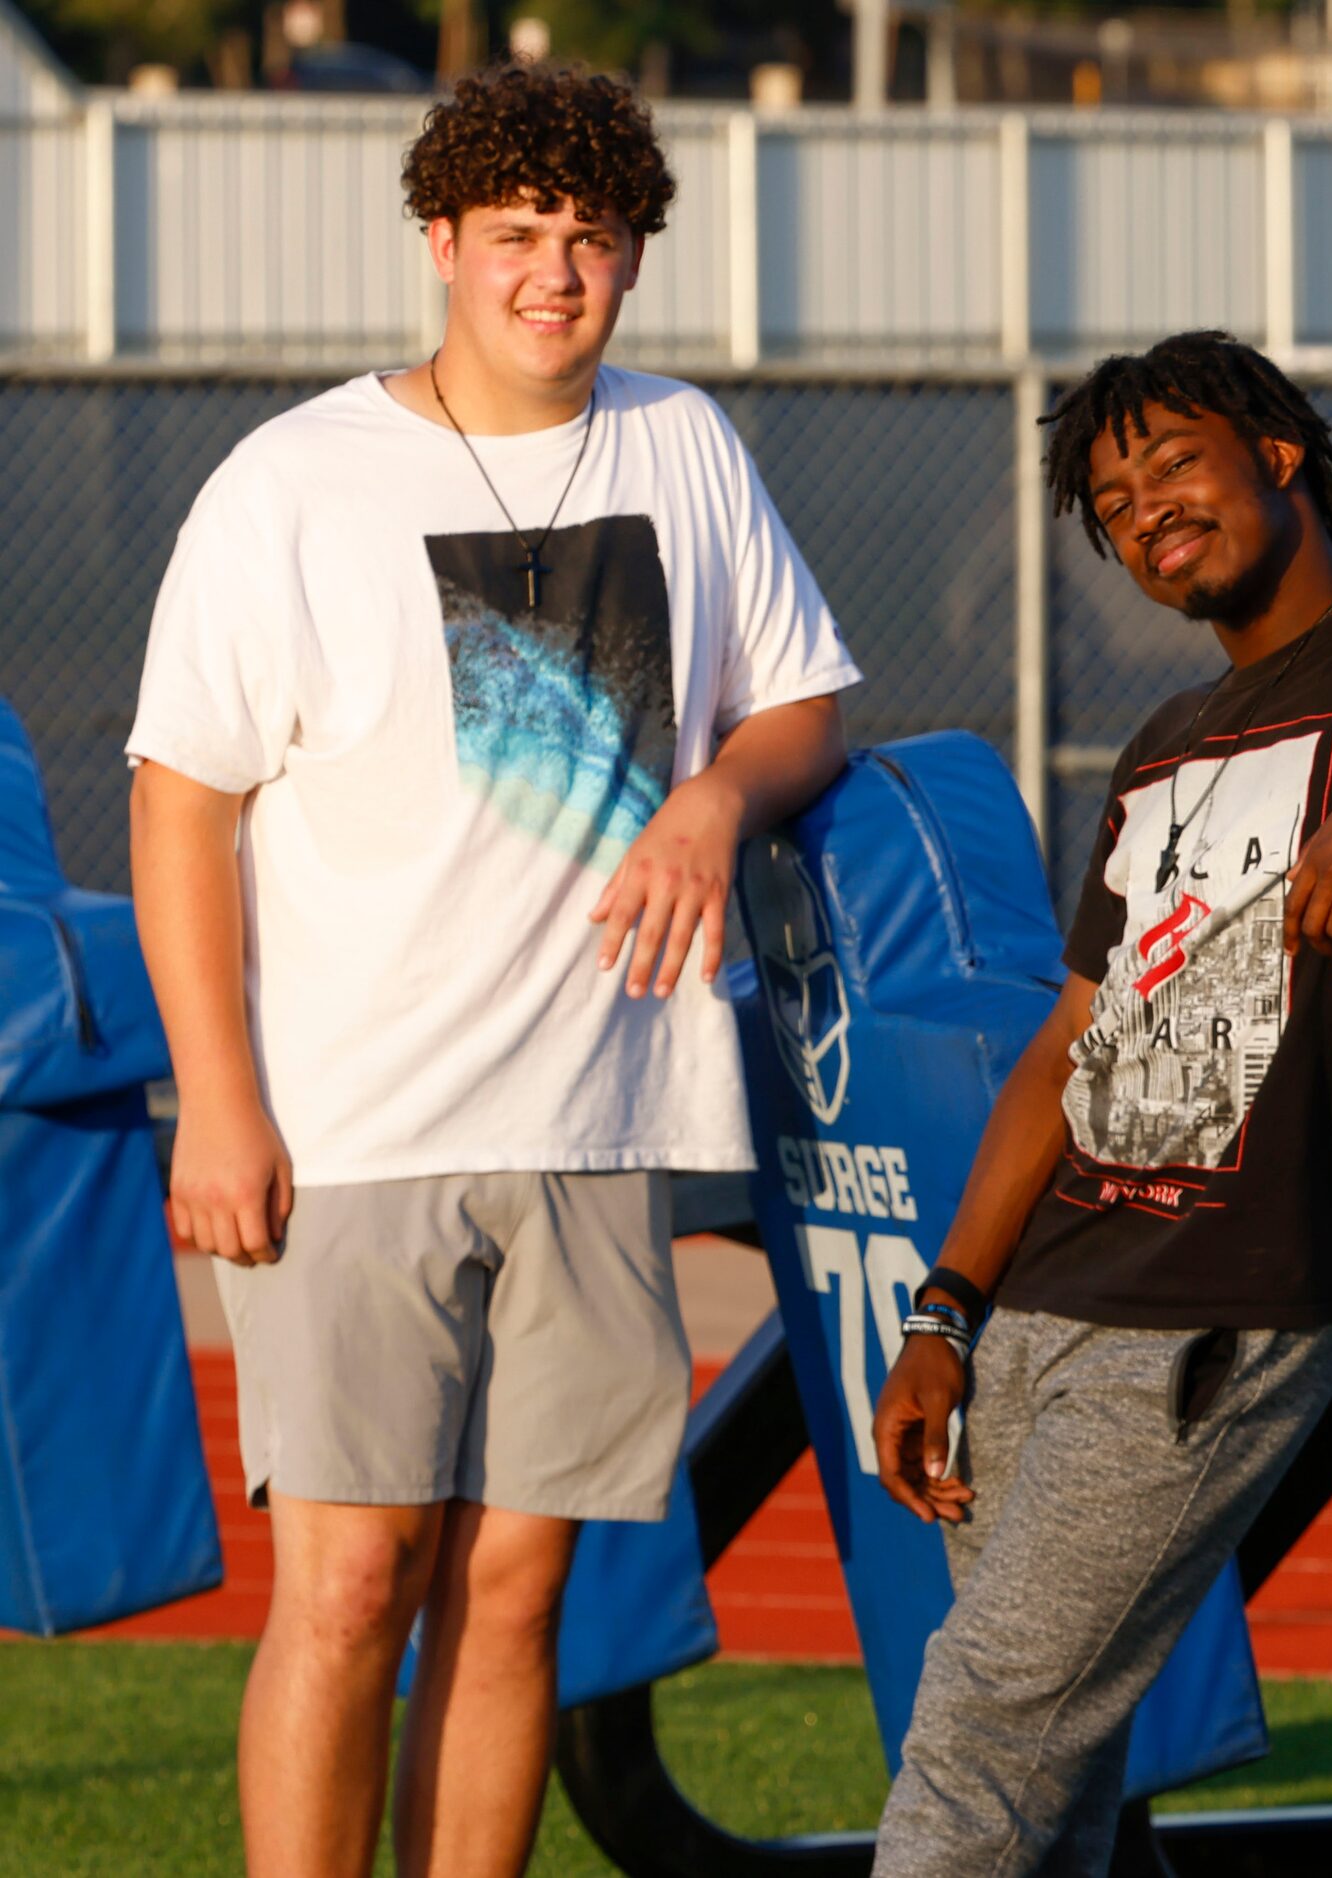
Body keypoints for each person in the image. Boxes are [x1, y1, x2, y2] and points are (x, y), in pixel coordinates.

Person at [126, 63, 858, 1878]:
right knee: (354, 1577)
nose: (557, 273)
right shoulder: (288, 481)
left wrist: (715, 798)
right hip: (353, 1125)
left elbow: (807, 702)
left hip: (600, 1120)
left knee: (519, 1592)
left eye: (593, 238)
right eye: (518, 235)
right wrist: (217, 1099)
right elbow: (176, 802)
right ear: (441, 243)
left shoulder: (684, 442)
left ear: (633, 256)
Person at [866, 330, 1332, 1876]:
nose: (1142, 514)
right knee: (1048, 1783)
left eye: (1171, 464)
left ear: (1274, 452)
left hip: (1213, 1316)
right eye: (1111, 501)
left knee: (979, 1730)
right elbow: (1071, 1045)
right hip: (1043, 1305)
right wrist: (944, 1311)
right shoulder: (1165, 740)